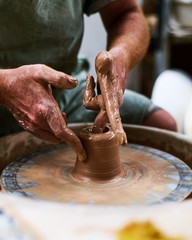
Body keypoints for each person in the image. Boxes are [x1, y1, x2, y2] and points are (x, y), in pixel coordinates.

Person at [0, 0, 176, 161]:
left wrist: (121, 57)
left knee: (161, 125)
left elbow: (126, 13)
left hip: (62, 91)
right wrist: (7, 86)